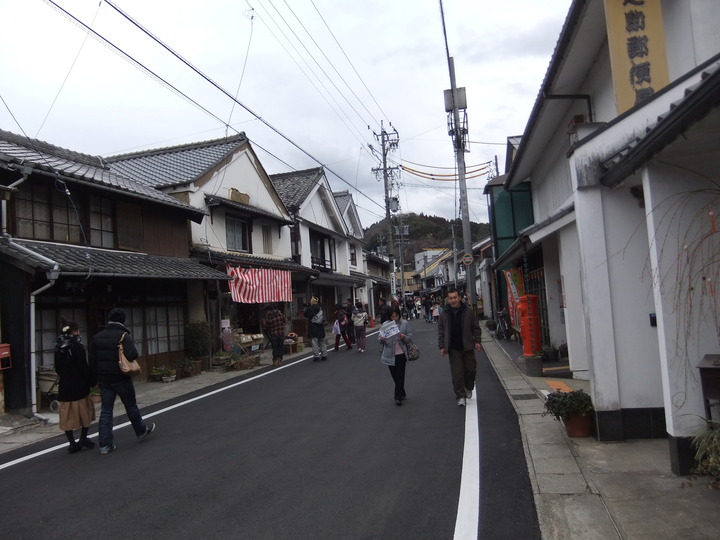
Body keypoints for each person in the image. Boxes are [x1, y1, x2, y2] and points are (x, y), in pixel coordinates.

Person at [89, 308, 154, 454]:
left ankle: (105, 444)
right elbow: (133, 355)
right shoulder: (123, 336)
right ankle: (141, 430)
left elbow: (92, 361)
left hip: (104, 379)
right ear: (122, 320)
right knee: (130, 405)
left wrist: (93, 380)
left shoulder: (97, 337)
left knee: (106, 411)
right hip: (121, 377)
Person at [54, 320, 96, 453]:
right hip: (79, 386)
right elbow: (83, 367)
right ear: (75, 332)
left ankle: (72, 443)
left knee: (67, 416)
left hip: (65, 386)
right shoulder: (77, 346)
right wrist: (91, 381)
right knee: (85, 413)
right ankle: (82, 439)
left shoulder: (58, 347)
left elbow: (57, 368)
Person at [437, 288, 482, 407]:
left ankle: (468, 387)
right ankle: (460, 395)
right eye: (450, 298)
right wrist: (441, 346)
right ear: (448, 299)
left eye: (455, 297)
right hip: (453, 348)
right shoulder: (444, 313)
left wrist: (477, 340)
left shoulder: (468, 311)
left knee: (470, 370)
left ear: (460, 298)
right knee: (457, 373)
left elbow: (475, 326)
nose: (453, 300)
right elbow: (441, 331)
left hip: (467, 346)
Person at [378, 306, 413, 406]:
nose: (395, 318)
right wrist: (382, 339)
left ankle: (397, 397)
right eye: (392, 317)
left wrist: (404, 337)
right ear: (389, 317)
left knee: (400, 375)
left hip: (401, 353)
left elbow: (410, 337)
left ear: (399, 315)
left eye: (396, 316)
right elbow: (379, 339)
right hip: (389, 354)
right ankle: (402, 391)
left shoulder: (404, 323)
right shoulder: (385, 325)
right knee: (395, 376)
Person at [303, 297, 328, 362]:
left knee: (315, 343)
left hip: (313, 327)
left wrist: (308, 307)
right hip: (320, 327)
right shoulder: (320, 308)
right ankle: (324, 355)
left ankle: (316, 356)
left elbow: (305, 314)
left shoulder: (310, 309)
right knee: (322, 342)